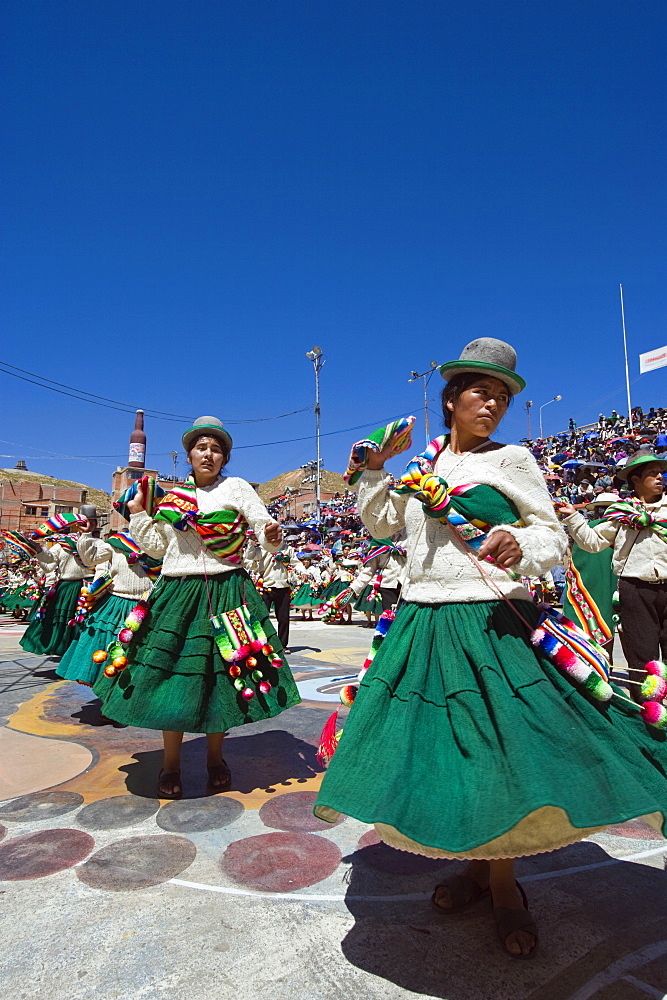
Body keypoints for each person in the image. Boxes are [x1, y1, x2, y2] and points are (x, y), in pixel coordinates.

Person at [315, 338, 667, 959]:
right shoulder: (424, 466)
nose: (493, 405)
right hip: (423, 621)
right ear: (451, 399)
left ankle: (505, 886)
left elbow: (552, 538)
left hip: (490, 624)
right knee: (443, 754)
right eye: (482, 392)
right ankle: (477, 869)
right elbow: (380, 525)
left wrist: (513, 541)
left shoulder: (513, 461)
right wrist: (372, 470)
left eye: (502, 396)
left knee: (498, 754)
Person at [94, 416, 301, 797]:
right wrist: (139, 514)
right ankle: (170, 763)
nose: (209, 454)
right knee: (171, 676)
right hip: (177, 592)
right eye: (201, 447)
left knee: (221, 676)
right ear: (189, 454)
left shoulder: (237, 488)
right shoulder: (173, 499)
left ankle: (215, 758)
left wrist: (272, 535)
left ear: (225, 457)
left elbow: (265, 530)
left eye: (216, 449)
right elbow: (157, 548)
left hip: (228, 591)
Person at [559, 452, 667, 700]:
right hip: (636, 589)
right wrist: (573, 517)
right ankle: (649, 711)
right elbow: (593, 543)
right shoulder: (621, 514)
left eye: (661, 473)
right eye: (652, 473)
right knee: (642, 652)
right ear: (636, 480)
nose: (660, 477)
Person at [56, 506, 162, 687]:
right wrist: (87, 534)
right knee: (106, 651)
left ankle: (120, 702)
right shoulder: (117, 542)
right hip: (115, 604)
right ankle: (104, 697)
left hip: (147, 607)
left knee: (135, 656)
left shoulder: (161, 545)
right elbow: (90, 559)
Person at [20, 516, 94, 657]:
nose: (89, 524)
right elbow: (49, 563)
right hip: (66, 587)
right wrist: (37, 549)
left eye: (93, 522)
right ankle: (60, 648)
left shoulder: (97, 544)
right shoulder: (63, 544)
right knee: (59, 619)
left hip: (88, 587)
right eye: (85, 522)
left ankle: (78, 653)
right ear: (77, 524)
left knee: (83, 621)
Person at [559, 492, 619, 660]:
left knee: (595, 627)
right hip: (617, 588)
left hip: (587, 589)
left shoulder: (585, 531)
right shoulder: (624, 533)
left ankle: (601, 669)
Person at [246, 537, 295, 652]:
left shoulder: (287, 549)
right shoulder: (263, 548)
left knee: (283, 618)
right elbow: (249, 556)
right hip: (266, 587)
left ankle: (283, 645)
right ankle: (262, 643)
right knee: (262, 617)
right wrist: (251, 542)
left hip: (283, 587)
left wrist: (302, 572)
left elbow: (295, 563)